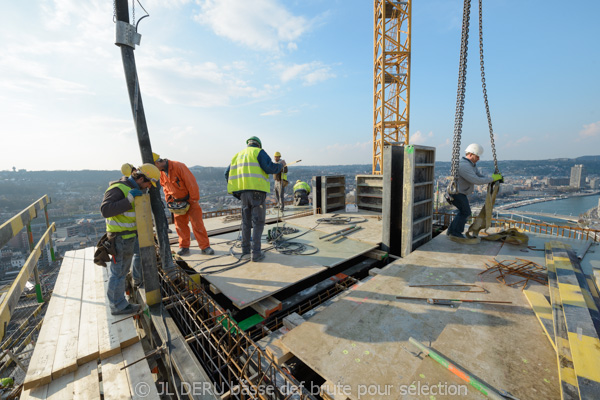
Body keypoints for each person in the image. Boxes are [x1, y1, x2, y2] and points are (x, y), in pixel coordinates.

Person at [100, 163, 160, 315]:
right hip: (120, 238)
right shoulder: (118, 188)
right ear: (140, 178)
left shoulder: (131, 188)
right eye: (148, 182)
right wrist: (129, 200)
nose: (149, 186)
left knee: (125, 268)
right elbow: (105, 210)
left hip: (128, 237)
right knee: (119, 273)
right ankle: (117, 306)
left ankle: (136, 282)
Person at [225, 136, 283, 262]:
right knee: (258, 222)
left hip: (244, 194)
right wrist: (280, 165)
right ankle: (256, 253)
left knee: (246, 222)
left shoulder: (238, 156)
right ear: (258, 145)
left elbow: (227, 174)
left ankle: (245, 249)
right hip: (257, 193)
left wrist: (238, 192)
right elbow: (270, 168)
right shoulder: (258, 152)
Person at [154, 153, 214, 256]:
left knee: (197, 224)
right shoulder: (162, 173)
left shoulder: (178, 166)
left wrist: (193, 200)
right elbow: (165, 187)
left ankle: (205, 247)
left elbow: (191, 183)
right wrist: (169, 200)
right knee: (180, 226)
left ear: (158, 162)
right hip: (177, 203)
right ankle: (184, 246)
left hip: (190, 201)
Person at [447, 143, 503, 240]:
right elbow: (476, 180)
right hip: (457, 193)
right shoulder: (464, 166)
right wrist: (493, 179)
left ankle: (452, 231)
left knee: (463, 212)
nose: (478, 159)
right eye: (477, 156)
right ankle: (455, 232)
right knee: (465, 212)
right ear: (471, 154)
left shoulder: (471, 165)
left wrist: (492, 178)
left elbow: (479, 176)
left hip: (458, 192)